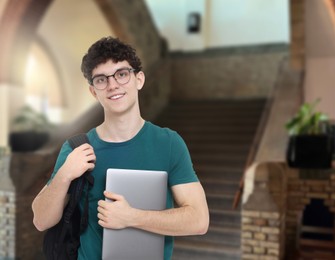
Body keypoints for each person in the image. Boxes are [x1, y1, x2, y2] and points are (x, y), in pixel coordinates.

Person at [32, 36, 209, 260]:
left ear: (139, 79)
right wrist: (64, 175)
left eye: (122, 74)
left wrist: (132, 217)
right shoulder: (77, 148)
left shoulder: (169, 143)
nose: (113, 85)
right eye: (101, 79)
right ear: (93, 91)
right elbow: (40, 220)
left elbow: (199, 220)